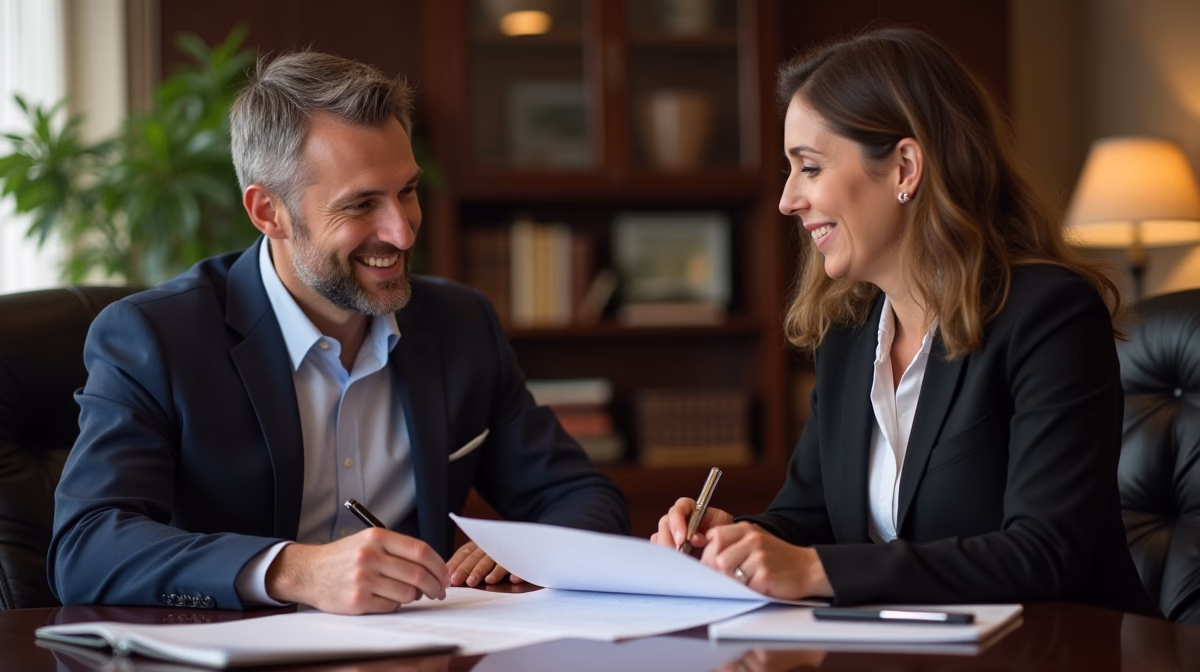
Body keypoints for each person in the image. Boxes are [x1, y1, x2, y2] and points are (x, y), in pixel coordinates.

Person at [49, 51, 628, 614]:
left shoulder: (461, 323)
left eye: (407, 190)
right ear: (268, 212)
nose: (401, 232)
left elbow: (584, 497)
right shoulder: (154, 337)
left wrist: (528, 552)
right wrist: (294, 570)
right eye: (361, 205)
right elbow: (88, 548)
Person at [652, 28, 1159, 616]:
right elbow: (810, 515)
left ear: (905, 168)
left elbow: (1045, 553)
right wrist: (730, 540)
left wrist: (815, 569)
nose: (789, 199)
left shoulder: (1049, 315)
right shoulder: (847, 335)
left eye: (809, 168)